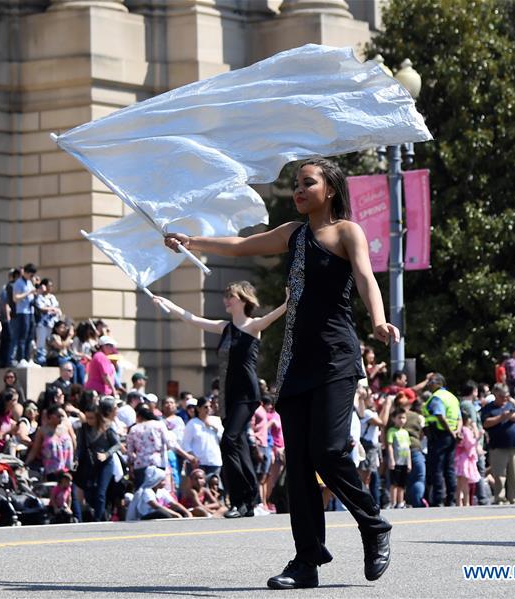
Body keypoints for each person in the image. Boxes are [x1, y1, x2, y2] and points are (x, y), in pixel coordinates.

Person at [165, 158, 397, 589]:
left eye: (308, 182)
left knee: (328, 451)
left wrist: (379, 321)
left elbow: (366, 278)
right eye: (296, 184)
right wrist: (190, 241)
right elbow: (239, 246)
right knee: (301, 463)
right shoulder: (293, 233)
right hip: (293, 364)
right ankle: (306, 559)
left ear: (330, 189)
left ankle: (374, 525)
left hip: (336, 357)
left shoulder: (347, 232)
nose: (299, 189)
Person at [153, 282, 287, 519]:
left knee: (229, 441)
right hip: (228, 395)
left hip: (247, 395)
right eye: (226, 296)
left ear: (243, 300)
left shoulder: (253, 326)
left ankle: (239, 499)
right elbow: (193, 319)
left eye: (231, 296)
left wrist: (289, 302)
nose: (226, 300)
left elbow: (274, 315)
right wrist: (169, 305)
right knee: (238, 446)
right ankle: (248, 501)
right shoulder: (224, 327)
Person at [76, 396, 122, 521]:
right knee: (89, 493)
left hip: (105, 463)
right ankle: (102, 515)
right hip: (89, 464)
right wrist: (76, 459)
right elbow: (80, 447)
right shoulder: (83, 429)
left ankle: (97, 520)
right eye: (87, 417)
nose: (89, 420)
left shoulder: (107, 427)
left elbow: (117, 444)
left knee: (100, 493)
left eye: (92, 418)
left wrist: (106, 454)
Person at [481, 383, 515, 505]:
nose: (504, 398)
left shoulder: (511, 406)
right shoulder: (489, 408)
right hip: (498, 446)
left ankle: (514, 498)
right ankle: (500, 498)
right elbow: (485, 423)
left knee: (514, 474)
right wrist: (502, 417)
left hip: (514, 446)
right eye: (501, 396)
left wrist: (514, 418)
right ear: (495, 395)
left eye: (506, 396)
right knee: (500, 475)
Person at [422, 374, 461, 507]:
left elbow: (439, 415)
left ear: (438, 383)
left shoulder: (437, 397)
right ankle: (451, 498)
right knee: (449, 468)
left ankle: (438, 499)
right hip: (451, 436)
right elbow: (459, 419)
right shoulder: (452, 397)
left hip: (438, 435)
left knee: (437, 468)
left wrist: (450, 432)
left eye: (430, 382)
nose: (428, 384)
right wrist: (456, 432)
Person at [11, 263, 39, 367]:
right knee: (22, 336)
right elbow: (15, 298)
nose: (32, 277)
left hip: (30, 311)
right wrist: (28, 293)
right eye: (31, 275)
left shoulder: (29, 282)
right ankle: (20, 358)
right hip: (22, 312)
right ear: (26, 272)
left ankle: (28, 358)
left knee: (30, 336)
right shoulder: (18, 283)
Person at [385, 408, 411, 509]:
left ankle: (401, 502)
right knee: (394, 483)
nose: (402, 420)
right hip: (396, 461)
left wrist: (409, 462)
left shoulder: (405, 432)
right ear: (393, 419)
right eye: (399, 417)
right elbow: (390, 446)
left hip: (404, 461)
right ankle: (393, 502)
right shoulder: (391, 431)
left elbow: (408, 448)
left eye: (404, 418)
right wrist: (391, 459)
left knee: (402, 484)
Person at [454, 412, 481, 507]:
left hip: (458, 457)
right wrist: (477, 437)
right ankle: (466, 501)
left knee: (459, 482)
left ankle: (458, 501)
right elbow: (469, 443)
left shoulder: (459, 430)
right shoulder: (466, 430)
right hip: (465, 458)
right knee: (465, 482)